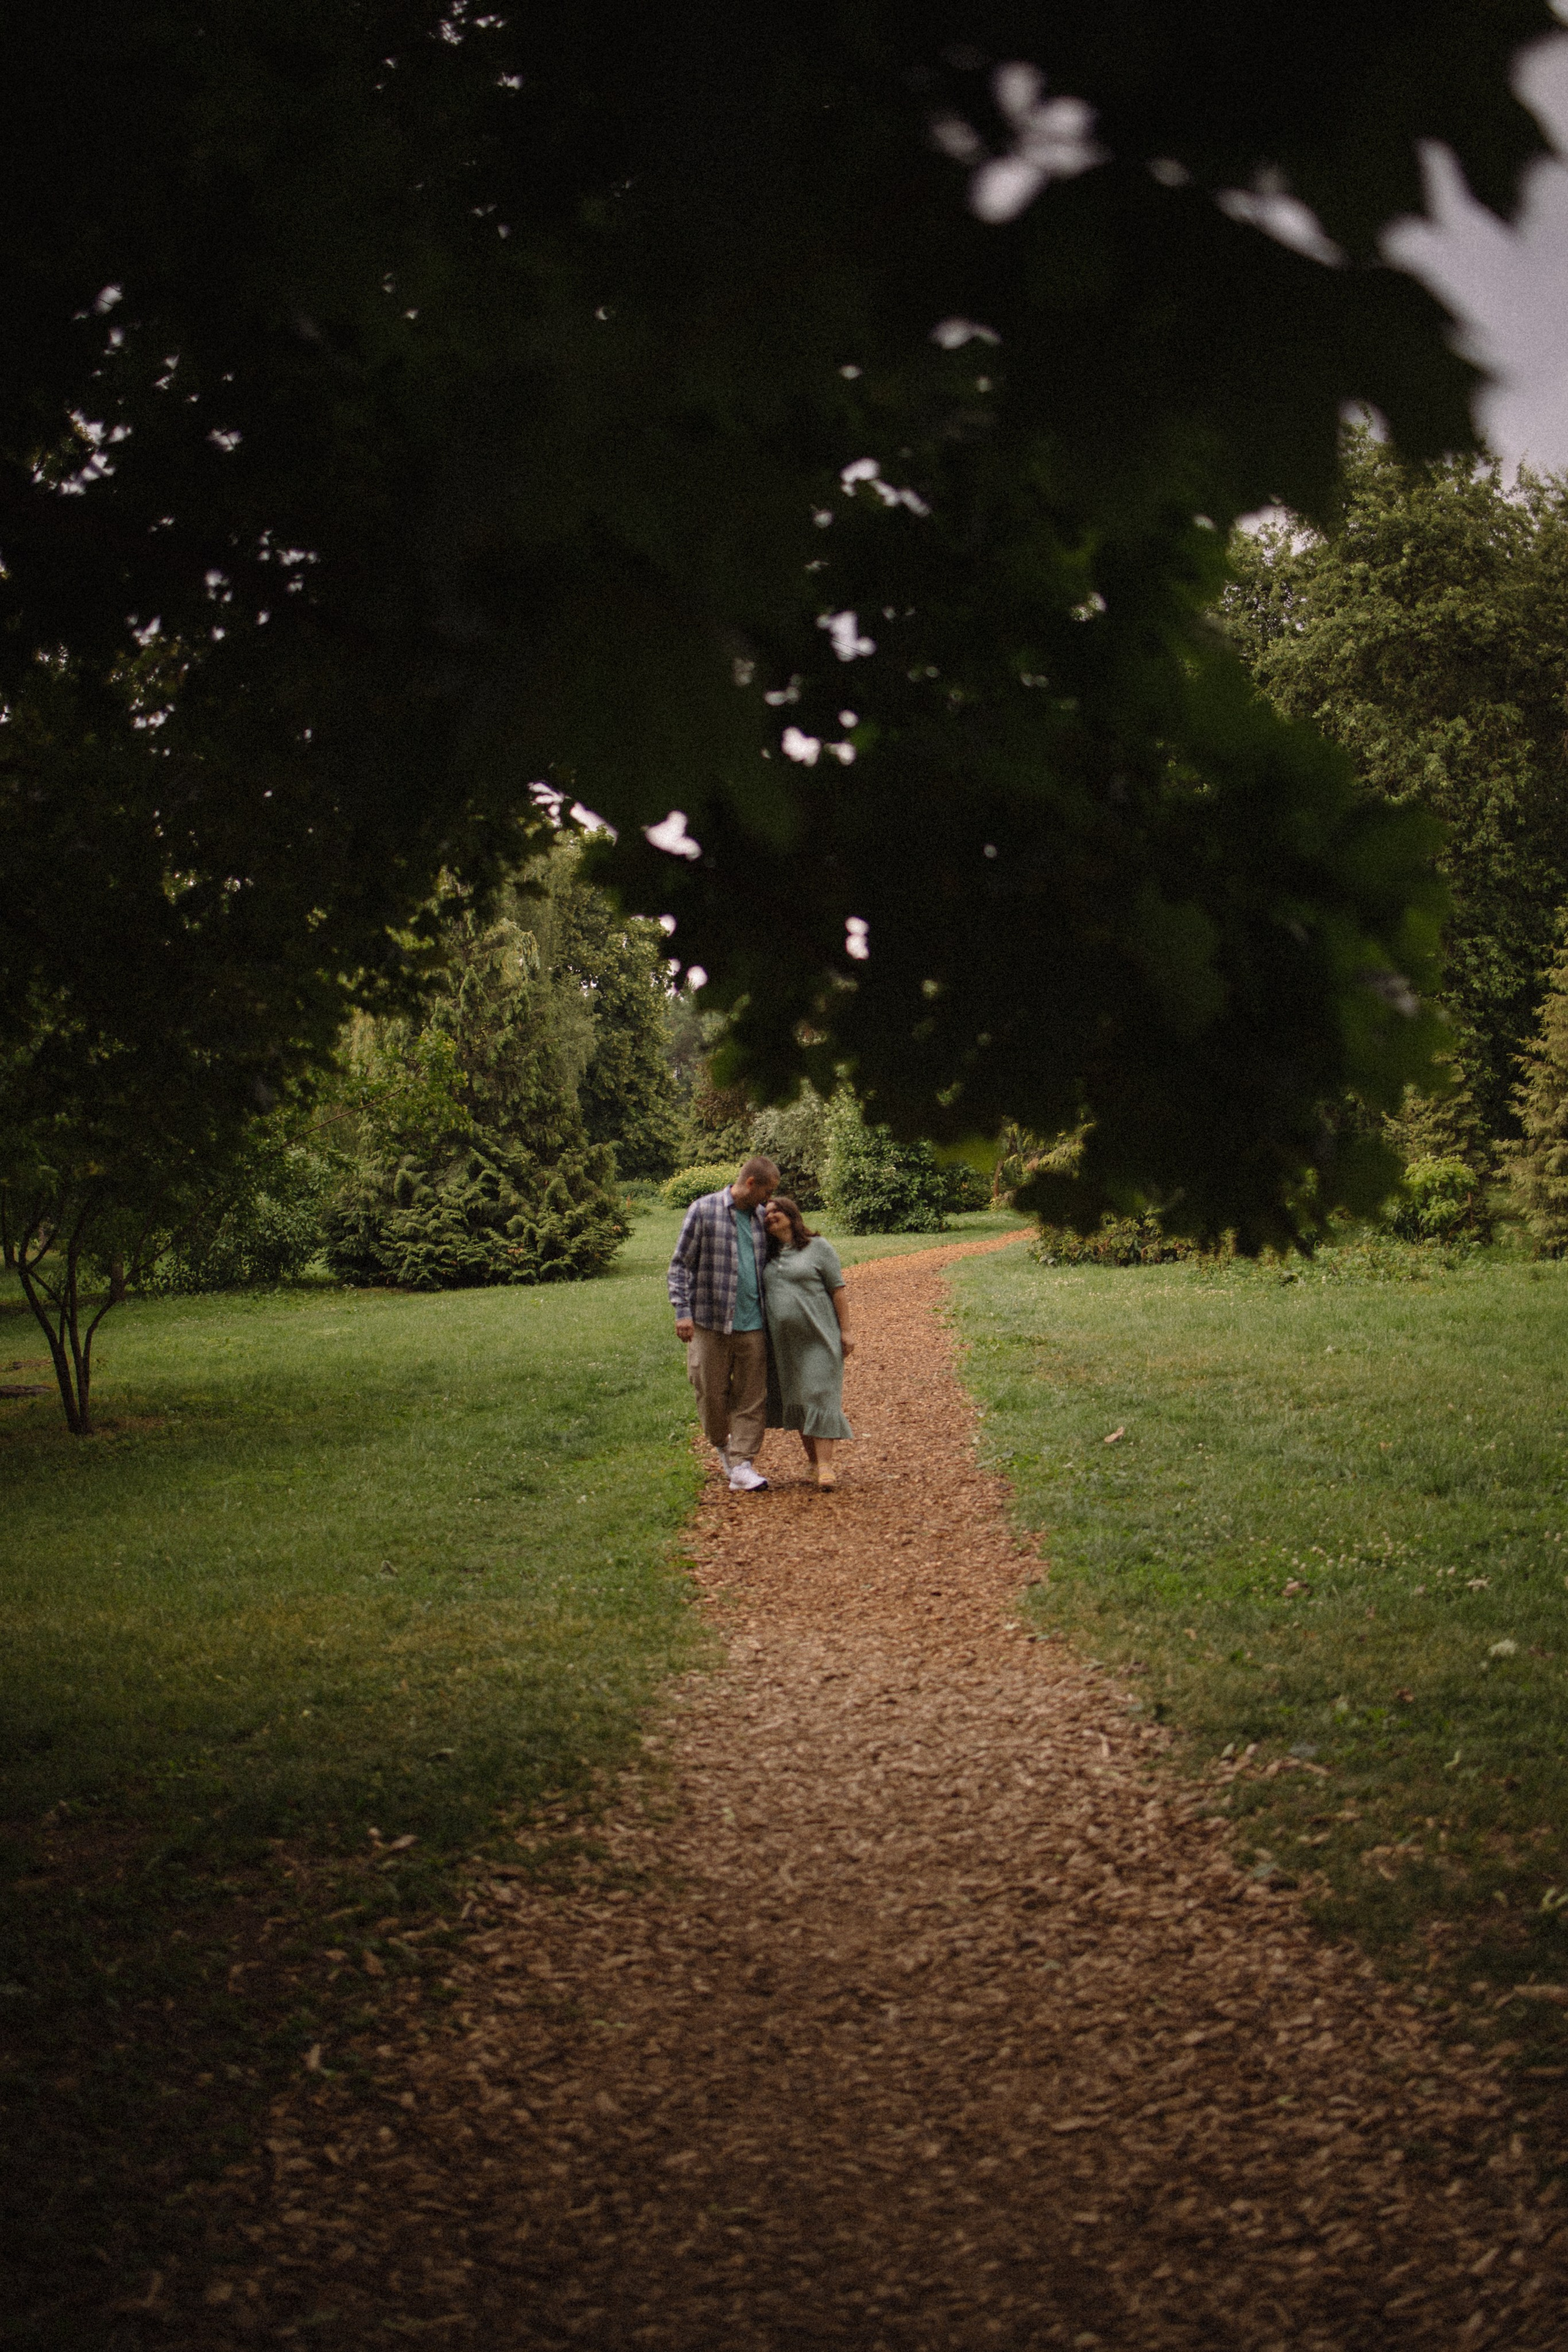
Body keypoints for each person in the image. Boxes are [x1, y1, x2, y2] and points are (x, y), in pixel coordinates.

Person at [668, 1156, 780, 1493]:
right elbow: (680, 1265)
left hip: (753, 1323)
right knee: (710, 1391)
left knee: (751, 1396)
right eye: (767, 1190)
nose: (769, 1198)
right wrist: (682, 1311)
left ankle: (743, 1463)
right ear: (751, 1184)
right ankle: (723, 1445)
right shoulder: (703, 1210)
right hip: (709, 1320)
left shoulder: (762, 1218)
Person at [761, 1195, 854, 1490]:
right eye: (767, 1213)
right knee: (798, 1400)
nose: (771, 1216)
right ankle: (813, 1462)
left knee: (819, 1394)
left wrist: (847, 1331)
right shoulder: (766, 1255)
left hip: (819, 1337)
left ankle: (826, 1466)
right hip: (783, 1345)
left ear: (792, 1214)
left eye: (777, 1211)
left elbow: (838, 1290)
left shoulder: (819, 1248)